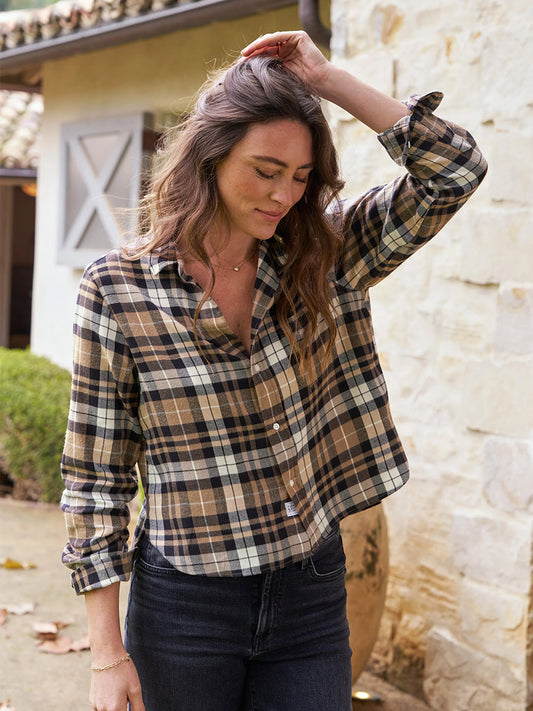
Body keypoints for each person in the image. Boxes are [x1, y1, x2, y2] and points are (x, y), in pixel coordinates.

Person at [61, 30, 487, 711]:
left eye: (299, 176)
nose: (283, 194)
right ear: (209, 155)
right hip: (185, 605)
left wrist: (328, 82)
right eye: (264, 170)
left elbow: (454, 170)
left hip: (310, 592)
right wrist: (106, 654)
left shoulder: (328, 252)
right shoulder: (117, 289)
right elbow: (96, 476)